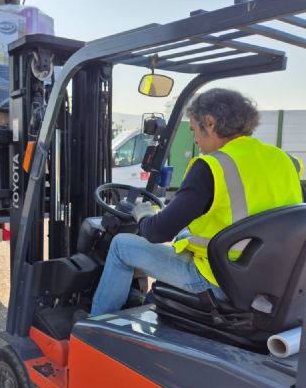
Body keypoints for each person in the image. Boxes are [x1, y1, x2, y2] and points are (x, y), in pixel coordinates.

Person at [89, 88, 303, 316]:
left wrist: (143, 215)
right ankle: (148, 300)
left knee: (122, 245)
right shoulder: (286, 160)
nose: (195, 139)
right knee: (184, 237)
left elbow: (157, 233)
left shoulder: (211, 166)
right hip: (272, 278)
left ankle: (94, 323)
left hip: (221, 280)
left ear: (209, 123)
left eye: (193, 130)